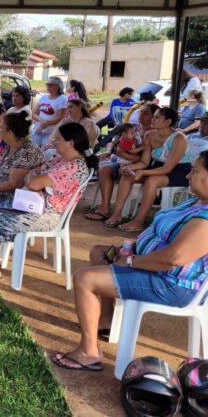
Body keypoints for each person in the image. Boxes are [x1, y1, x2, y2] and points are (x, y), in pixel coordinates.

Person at [52, 151, 208, 372]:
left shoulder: (206, 219)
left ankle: (88, 352)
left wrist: (132, 261)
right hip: (158, 271)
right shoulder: (195, 203)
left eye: (195, 171)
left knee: (85, 278)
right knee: (99, 253)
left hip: (172, 284)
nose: (188, 176)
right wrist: (133, 249)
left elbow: (172, 259)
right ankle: (105, 321)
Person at [0, 123, 96, 286]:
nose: (54, 142)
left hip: (45, 215)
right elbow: (33, 174)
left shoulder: (72, 167)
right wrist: (34, 178)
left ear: (71, 143)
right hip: (32, 205)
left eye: (58, 139)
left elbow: (32, 182)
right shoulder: (62, 160)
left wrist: (34, 179)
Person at [104, 107, 192, 233]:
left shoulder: (179, 138)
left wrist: (144, 172)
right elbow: (145, 162)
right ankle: (117, 215)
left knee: (151, 180)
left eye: (157, 117)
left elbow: (168, 168)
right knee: (128, 176)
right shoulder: (149, 135)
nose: (153, 119)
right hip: (158, 166)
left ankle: (139, 220)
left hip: (180, 170)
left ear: (167, 122)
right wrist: (131, 167)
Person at [85, 103, 159, 222]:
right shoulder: (133, 127)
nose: (141, 115)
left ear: (153, 117)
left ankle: (119, 212)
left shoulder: (154, 134)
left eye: (146, 113)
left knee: (119, 171)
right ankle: (104, 209)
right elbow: (114, 141)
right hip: (124, 160)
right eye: (141, 112)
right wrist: (109, 150)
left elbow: (145, 157)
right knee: (104, 169)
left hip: (140, 165)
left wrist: (125, 156)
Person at [31, 76, 67, 146]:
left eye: (51, 85)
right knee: (35, 149)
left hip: (51, 131)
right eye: (47, 84)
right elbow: (34, 114)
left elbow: (60, 118)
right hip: (39, 129)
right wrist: (42, 121)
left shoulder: (62, 99)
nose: (48, 86)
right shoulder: (43, 97)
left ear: (58, 86)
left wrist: (44, 124)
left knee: (46, 151)